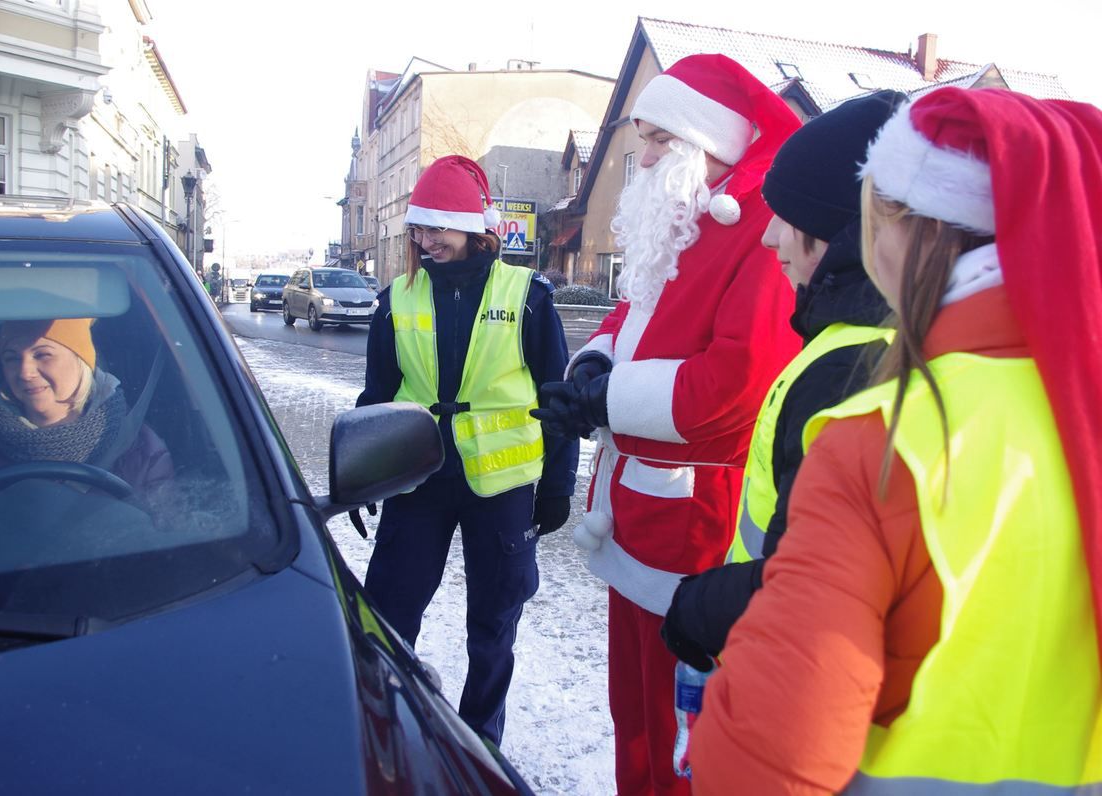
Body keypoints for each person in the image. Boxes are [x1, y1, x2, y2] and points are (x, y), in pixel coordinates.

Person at [688, 87, 1102, 793]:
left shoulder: (888, 440)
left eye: (876, 215)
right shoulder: (1072, 405)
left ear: (918, 232)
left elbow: (770, 757)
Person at [531, 54, 801, 794]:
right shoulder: (686, 211)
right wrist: (594, 363)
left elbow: (735, 384)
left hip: (695, 526)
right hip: (638, 510)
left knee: (682, 735)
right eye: (641, 139)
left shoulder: (760, 230)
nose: (642, 159)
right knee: (636, 718)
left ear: (708, 144)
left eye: (657, 140)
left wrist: (608, 401)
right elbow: (636, 311)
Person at [659, 91, 903, 668]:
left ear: (836, 232)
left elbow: (816, 578)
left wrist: (699, 609)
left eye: (787, 220)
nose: (770, 240)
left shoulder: (848, 367)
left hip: (786, 662)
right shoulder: (852, 337)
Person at [356, 155, 578, 746]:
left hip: (501, 489)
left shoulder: (527, 296)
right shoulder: (395, 298)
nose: (426, 242)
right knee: (387, 616)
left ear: (473, 228)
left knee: (493, 624)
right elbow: (377, 394)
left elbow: (557, 398)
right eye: (418, 230)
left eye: (438, 229)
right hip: (416, 480)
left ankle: (481, 743)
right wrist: (359, 470)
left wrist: (557, 483)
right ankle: (385, 729)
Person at [0, 318, 174, 540]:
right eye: (11, 358)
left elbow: (163, 545)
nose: (24, 371)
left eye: (42, 354)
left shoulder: (141, 451)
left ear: (81, 360)